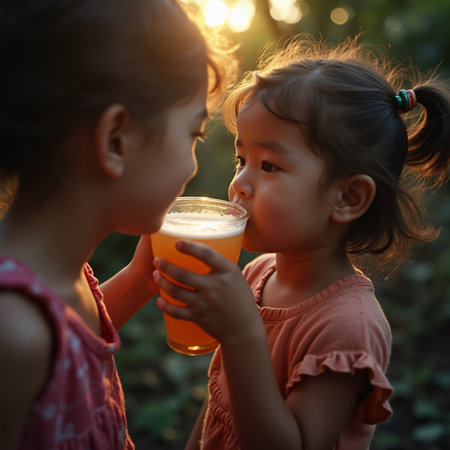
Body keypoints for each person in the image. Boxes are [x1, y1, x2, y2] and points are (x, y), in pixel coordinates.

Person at [153, 35, 450, 449]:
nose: (239, 184)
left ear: (347, 198)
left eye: (268, 165)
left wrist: (242, 336)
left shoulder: (346, 327)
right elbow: (219, 406)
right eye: (242, 161)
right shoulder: (258, 273)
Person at [0, 0, 236, 448]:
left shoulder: (59, 279)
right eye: (192, 135)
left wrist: (138, 280)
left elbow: (70, 346)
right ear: (115, 140)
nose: (191, 168)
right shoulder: (12, 331)